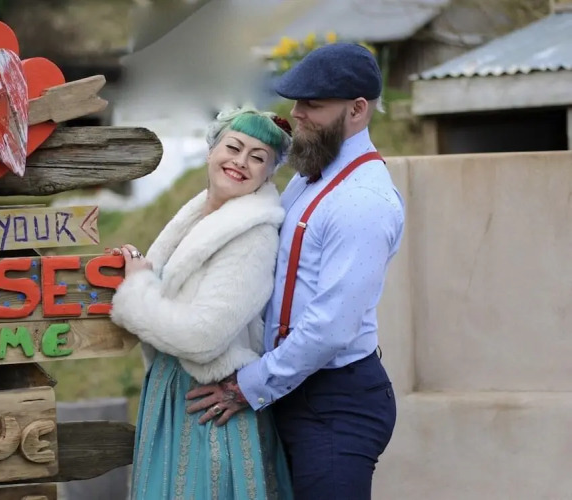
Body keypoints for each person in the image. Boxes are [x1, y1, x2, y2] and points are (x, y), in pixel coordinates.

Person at [186, 43, 405, 499]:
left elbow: (331, 328)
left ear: (357, 110)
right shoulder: (311, 176)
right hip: (293, 389)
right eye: (297, 100)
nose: (297, 113)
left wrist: (247, 386)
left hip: (334, 405)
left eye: (314, 104)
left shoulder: (363, 201)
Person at [109, 106, 295, 499]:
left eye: (257, 157)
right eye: (234, 147)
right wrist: (136, 269)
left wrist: (137, 291)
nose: (240, 162)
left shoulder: (252, 237)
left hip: (207, 402)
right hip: (171, 390)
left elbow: (203, 336)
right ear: (211, 150)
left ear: (268, 173)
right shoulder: (199, 215)